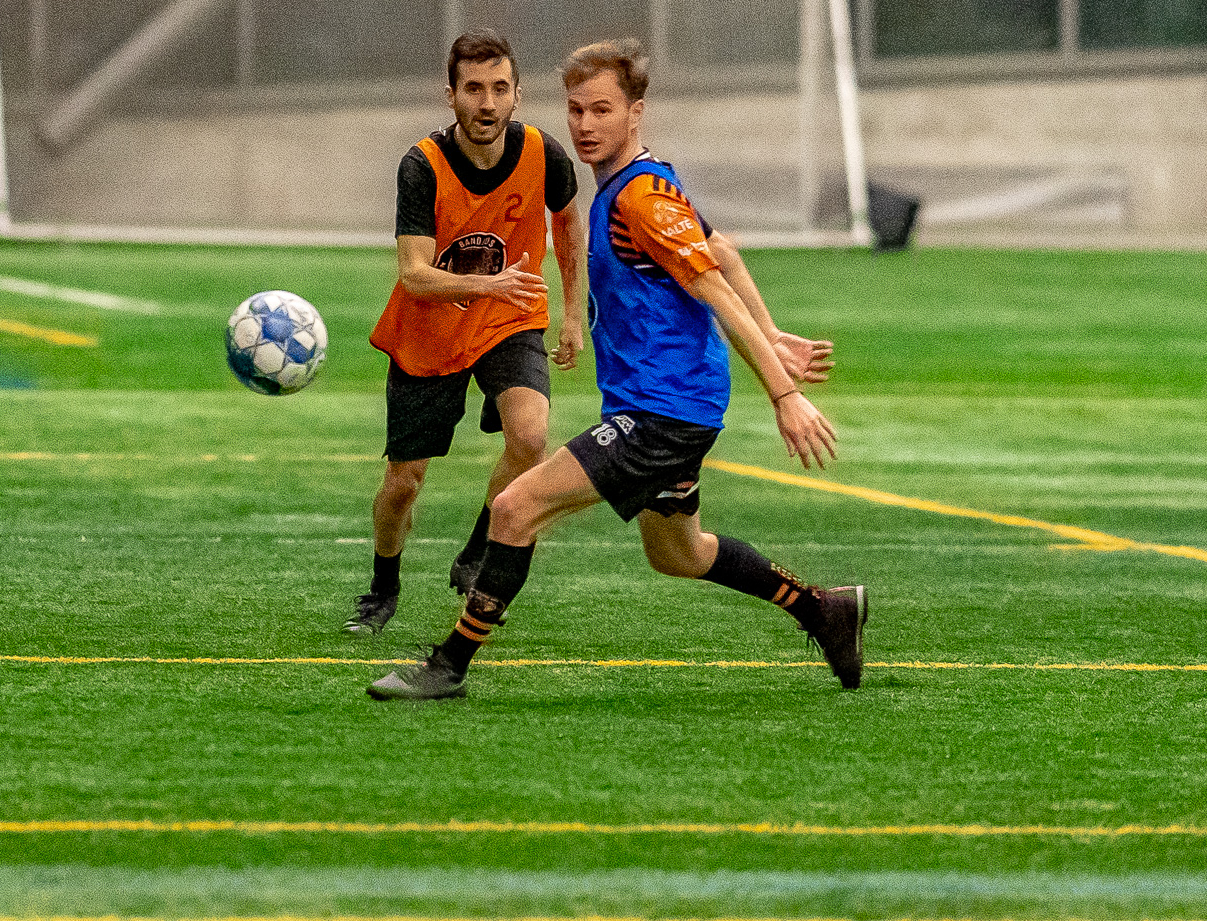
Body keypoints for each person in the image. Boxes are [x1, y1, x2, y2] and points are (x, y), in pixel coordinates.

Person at [368, 38, 865, 700]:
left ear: (636, 111)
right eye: (575, 110)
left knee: (515, 508)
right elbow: (726, 255)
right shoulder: (643, 183)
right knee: (679, 553)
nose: (584, 125)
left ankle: (448, 665)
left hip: (661, 413)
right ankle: (823, 609)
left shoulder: (640, 200)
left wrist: (782, 390)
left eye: (601, 109)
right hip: (669, 408)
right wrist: (771, 332)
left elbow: (713, 284)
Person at [345, 30, 587, 635]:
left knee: (530, 439)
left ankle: (477, 551)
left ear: (517, 95)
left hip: (509, 320)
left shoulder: (544, 154)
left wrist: (575, 313)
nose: (487, 102)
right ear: (449, 95)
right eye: (473, 88)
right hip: (430, 332)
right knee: (404, 483)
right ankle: (383, 584)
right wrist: (490, 286)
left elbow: (568, 221)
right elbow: (416, 276)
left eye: (499, 88)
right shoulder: (421, 167)